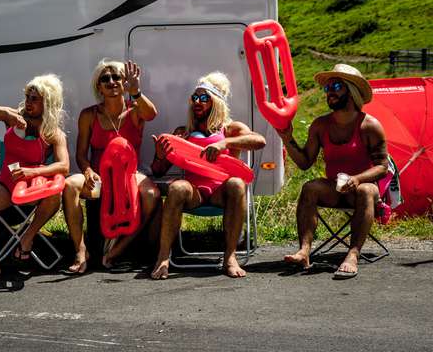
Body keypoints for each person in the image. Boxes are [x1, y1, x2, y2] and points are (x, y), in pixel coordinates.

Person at [150, 72, 266, 280]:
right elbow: (158, 171)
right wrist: (160, 156)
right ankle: (163, 257)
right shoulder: (183, 132)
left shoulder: (230, 129)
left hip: (221, 192)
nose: (197, 102)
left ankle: (229, 257)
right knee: (177, 187)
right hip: (195, 194)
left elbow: (259, 141)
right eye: (194, 98)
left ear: (217, 103)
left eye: (204, 98)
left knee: (237, 184)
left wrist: (224, 144)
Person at [276, 63, 387, 279]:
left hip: (363, 190)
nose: (331, 92)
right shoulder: (320, 125)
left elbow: (383, 167)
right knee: (310, 187)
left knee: (365, 190)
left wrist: (357, 178)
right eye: (328, 88)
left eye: (336, 85)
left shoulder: (369, 126)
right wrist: (287, 139)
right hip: (335, 188)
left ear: (352, 91)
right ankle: (304, 251)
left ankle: (353, 254)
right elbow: (305, 162)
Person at [62, 59, 160, 274]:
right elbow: (80, 154)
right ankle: (80, 252)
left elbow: (152, 114)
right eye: (105, 78)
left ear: (124, 82)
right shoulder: (89, 115)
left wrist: (136, 92)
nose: (112, 81)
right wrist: (87, 170)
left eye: (117, 77)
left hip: (130, 174)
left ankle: (119, 250)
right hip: (99, 177)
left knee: (151, 195)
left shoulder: (135, 110)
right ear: (98, 86)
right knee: (70, 185)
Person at [0, 74, 69, 282]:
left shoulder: (52, 132)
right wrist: (6, 112)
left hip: (33, 187)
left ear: (47, 103)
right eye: (27, 96)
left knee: (55, 197)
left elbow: (64, 166)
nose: (28, 102)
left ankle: (28, 237)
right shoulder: (13, 117)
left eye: (35, 98)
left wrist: (34, 172)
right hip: (7, 184)